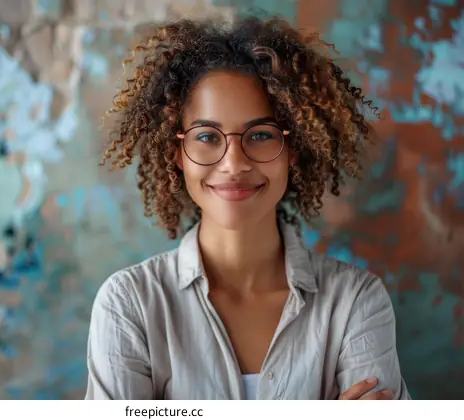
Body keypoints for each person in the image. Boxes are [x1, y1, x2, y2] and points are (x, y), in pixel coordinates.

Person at [84, 15, 411, 400]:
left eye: (260, 135)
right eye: (207, 136)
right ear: (177, 153)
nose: (234, 163)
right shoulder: (129, 304)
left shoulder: (356, 301)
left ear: (294, 149)